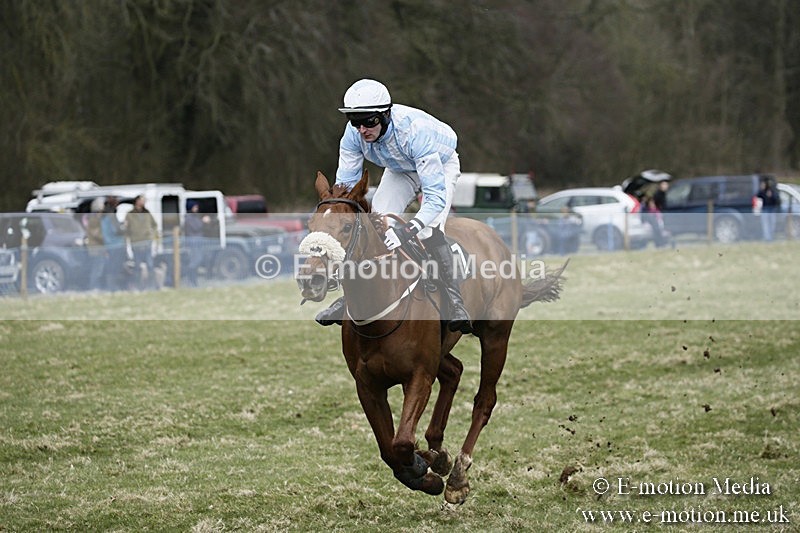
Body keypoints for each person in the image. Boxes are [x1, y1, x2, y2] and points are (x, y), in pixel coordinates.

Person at [315, 78, 472, 333]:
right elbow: (346, 190)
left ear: (386, 115)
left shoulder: (414, 132)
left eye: (370, 121)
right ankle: (350, 297)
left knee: (428, 229)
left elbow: (434, 198)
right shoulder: (353, 137)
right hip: (400, 169)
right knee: (377, 221)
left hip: (439, 164)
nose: (363, 130)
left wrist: (408, 230)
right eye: (356, 122)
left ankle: (455, 301)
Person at [125, 194, 158, 289]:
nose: (144, 202)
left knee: (150, 264)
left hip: (147, 242)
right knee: (137, 265)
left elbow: (154, 225)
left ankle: (151, 286)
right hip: (136, 243)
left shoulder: (147, 213)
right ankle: (138, 286)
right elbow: (127, 229)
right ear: (137, 201)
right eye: (142, 200)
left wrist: (151, 234)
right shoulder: (130, 214)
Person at [101, 196, 126, 291]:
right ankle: (113, 287)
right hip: (116, 245)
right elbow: (116, 230)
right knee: (115, 267)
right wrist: (124, 227)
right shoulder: (111, 216)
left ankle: (110, 287)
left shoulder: (104, 216)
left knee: (110, 267)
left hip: (108, 244)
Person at [184, 200, 210, 286]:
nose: (196, 208)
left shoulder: (195, 217)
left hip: (198, 242)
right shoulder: (188, 218)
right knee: (194, 261)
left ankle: (194, 281)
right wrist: (203, 221)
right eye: (195, 207)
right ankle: (191, 279)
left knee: (198, 261)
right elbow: (196, 227)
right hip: (193, 244)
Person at [84, 197, 106, 290]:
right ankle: (93, 287)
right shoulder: (93, 220)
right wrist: (107, 239)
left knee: (98, 269)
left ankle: (96, 286)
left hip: (98, 249)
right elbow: (97, 234)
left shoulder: (96, 219)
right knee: (96, 269)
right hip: (95, 249)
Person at [757, 177, 781, 241]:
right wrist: (762, 190)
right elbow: (757, 196)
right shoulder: (762, 191)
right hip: (765, 209)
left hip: (772, 209)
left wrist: (771, 195)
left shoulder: (773, 191)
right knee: (765, 224)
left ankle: (771, 237)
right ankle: (767, 238)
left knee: (772, 224)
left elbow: (777, 200)